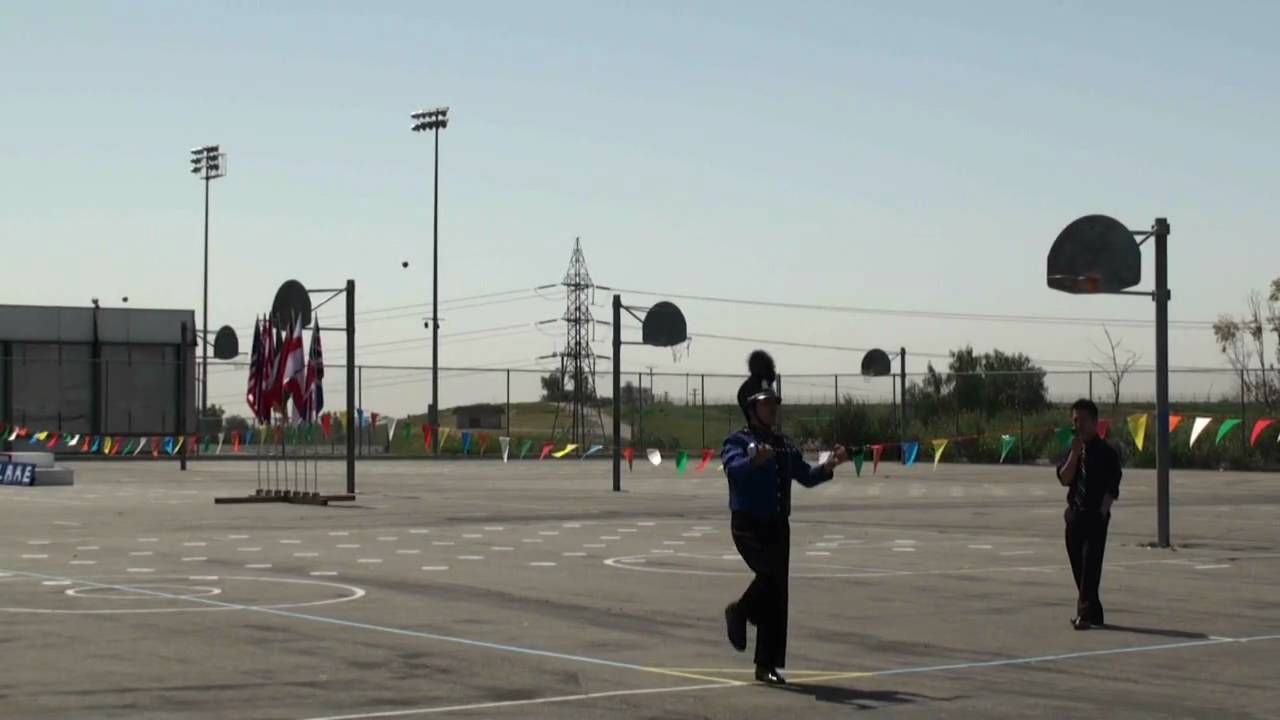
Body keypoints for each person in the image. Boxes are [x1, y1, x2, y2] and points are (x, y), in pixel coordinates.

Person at [721, 350, 848, 684]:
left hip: (778, 526)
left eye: (774, 403)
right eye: (766, 404)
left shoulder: (782, 444)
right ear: (752, 408)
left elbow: (805, 475)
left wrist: (829, 467)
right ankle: (739, 611)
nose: (773, 409)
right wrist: (754, 462)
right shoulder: (738, 441)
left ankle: (766, 665)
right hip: (748, 525)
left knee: (777, 595)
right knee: (769, 577)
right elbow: (734, 470)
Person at [1056, 398, 1122, 630]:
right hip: (1074, 517)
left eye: (1084, 420)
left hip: (1095, 518)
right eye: (1076, 420)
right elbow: (1064, 479)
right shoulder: (1070, 449)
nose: (1079, 425)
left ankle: (1083, 616)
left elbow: (1113, 487)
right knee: (1079, 568)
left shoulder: (1107, 453)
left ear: (1095, 423)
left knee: (1090, 566)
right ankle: (1094, 613)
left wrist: (1103, 513)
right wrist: (1074, 454)